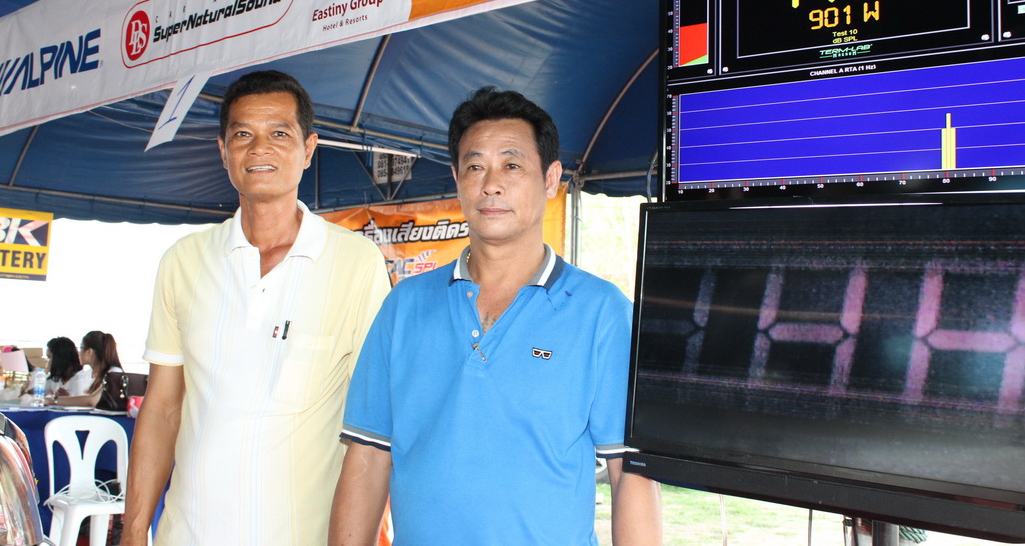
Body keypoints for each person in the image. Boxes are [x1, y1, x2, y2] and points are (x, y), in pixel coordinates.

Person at [330, 86, 662, 545]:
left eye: (511, 165)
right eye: (475, 166)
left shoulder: (602, 313)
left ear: (550, 179)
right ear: (457, 178)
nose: (491, 184)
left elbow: (631, 473)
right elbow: (368, 458)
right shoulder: (404, 307)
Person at [121, 70, 391, 546]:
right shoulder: (183, 261)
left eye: (279, 134)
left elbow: (373, 426)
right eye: (242, 134)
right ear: (223, 151)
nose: (259, 148)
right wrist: (134, 528)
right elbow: (162, 408)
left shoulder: (355, 262)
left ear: (308, 149)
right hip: (187, 534)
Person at [48, 330, 123, 407]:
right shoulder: (87, 373)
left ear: (89, 352)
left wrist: (53, 400)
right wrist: (68, 397)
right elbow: (83, 399)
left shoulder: (114, 373)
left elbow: (92, 401)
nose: (79, 353)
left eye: (81, 348)